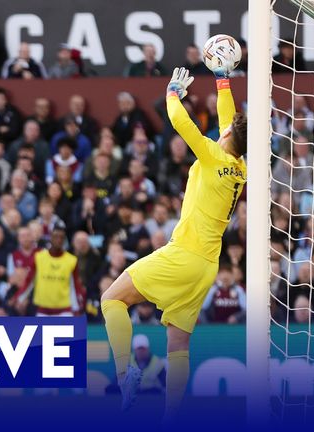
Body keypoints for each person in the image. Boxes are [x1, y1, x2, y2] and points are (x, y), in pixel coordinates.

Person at [101, 64, 247, 418]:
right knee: (178, 342)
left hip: (183, 255)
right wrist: (223, 79)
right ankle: (171, 419)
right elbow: (231, 120)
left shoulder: (213, 156)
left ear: (227, 134)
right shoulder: (240, 167)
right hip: (206, 266)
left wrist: (171, 94)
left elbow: (183, 124)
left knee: (111, 300)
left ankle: (125, 374)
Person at [12, 224, 85, 316]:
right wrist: (19, 298)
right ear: (50, 238)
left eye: (61, 237)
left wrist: (77, 307)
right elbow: (29, 281)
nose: (58, 240)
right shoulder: (39, 257)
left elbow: (75, 286)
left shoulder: (71, 260)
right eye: (56, 237)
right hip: (43, 310)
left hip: (64, 310)